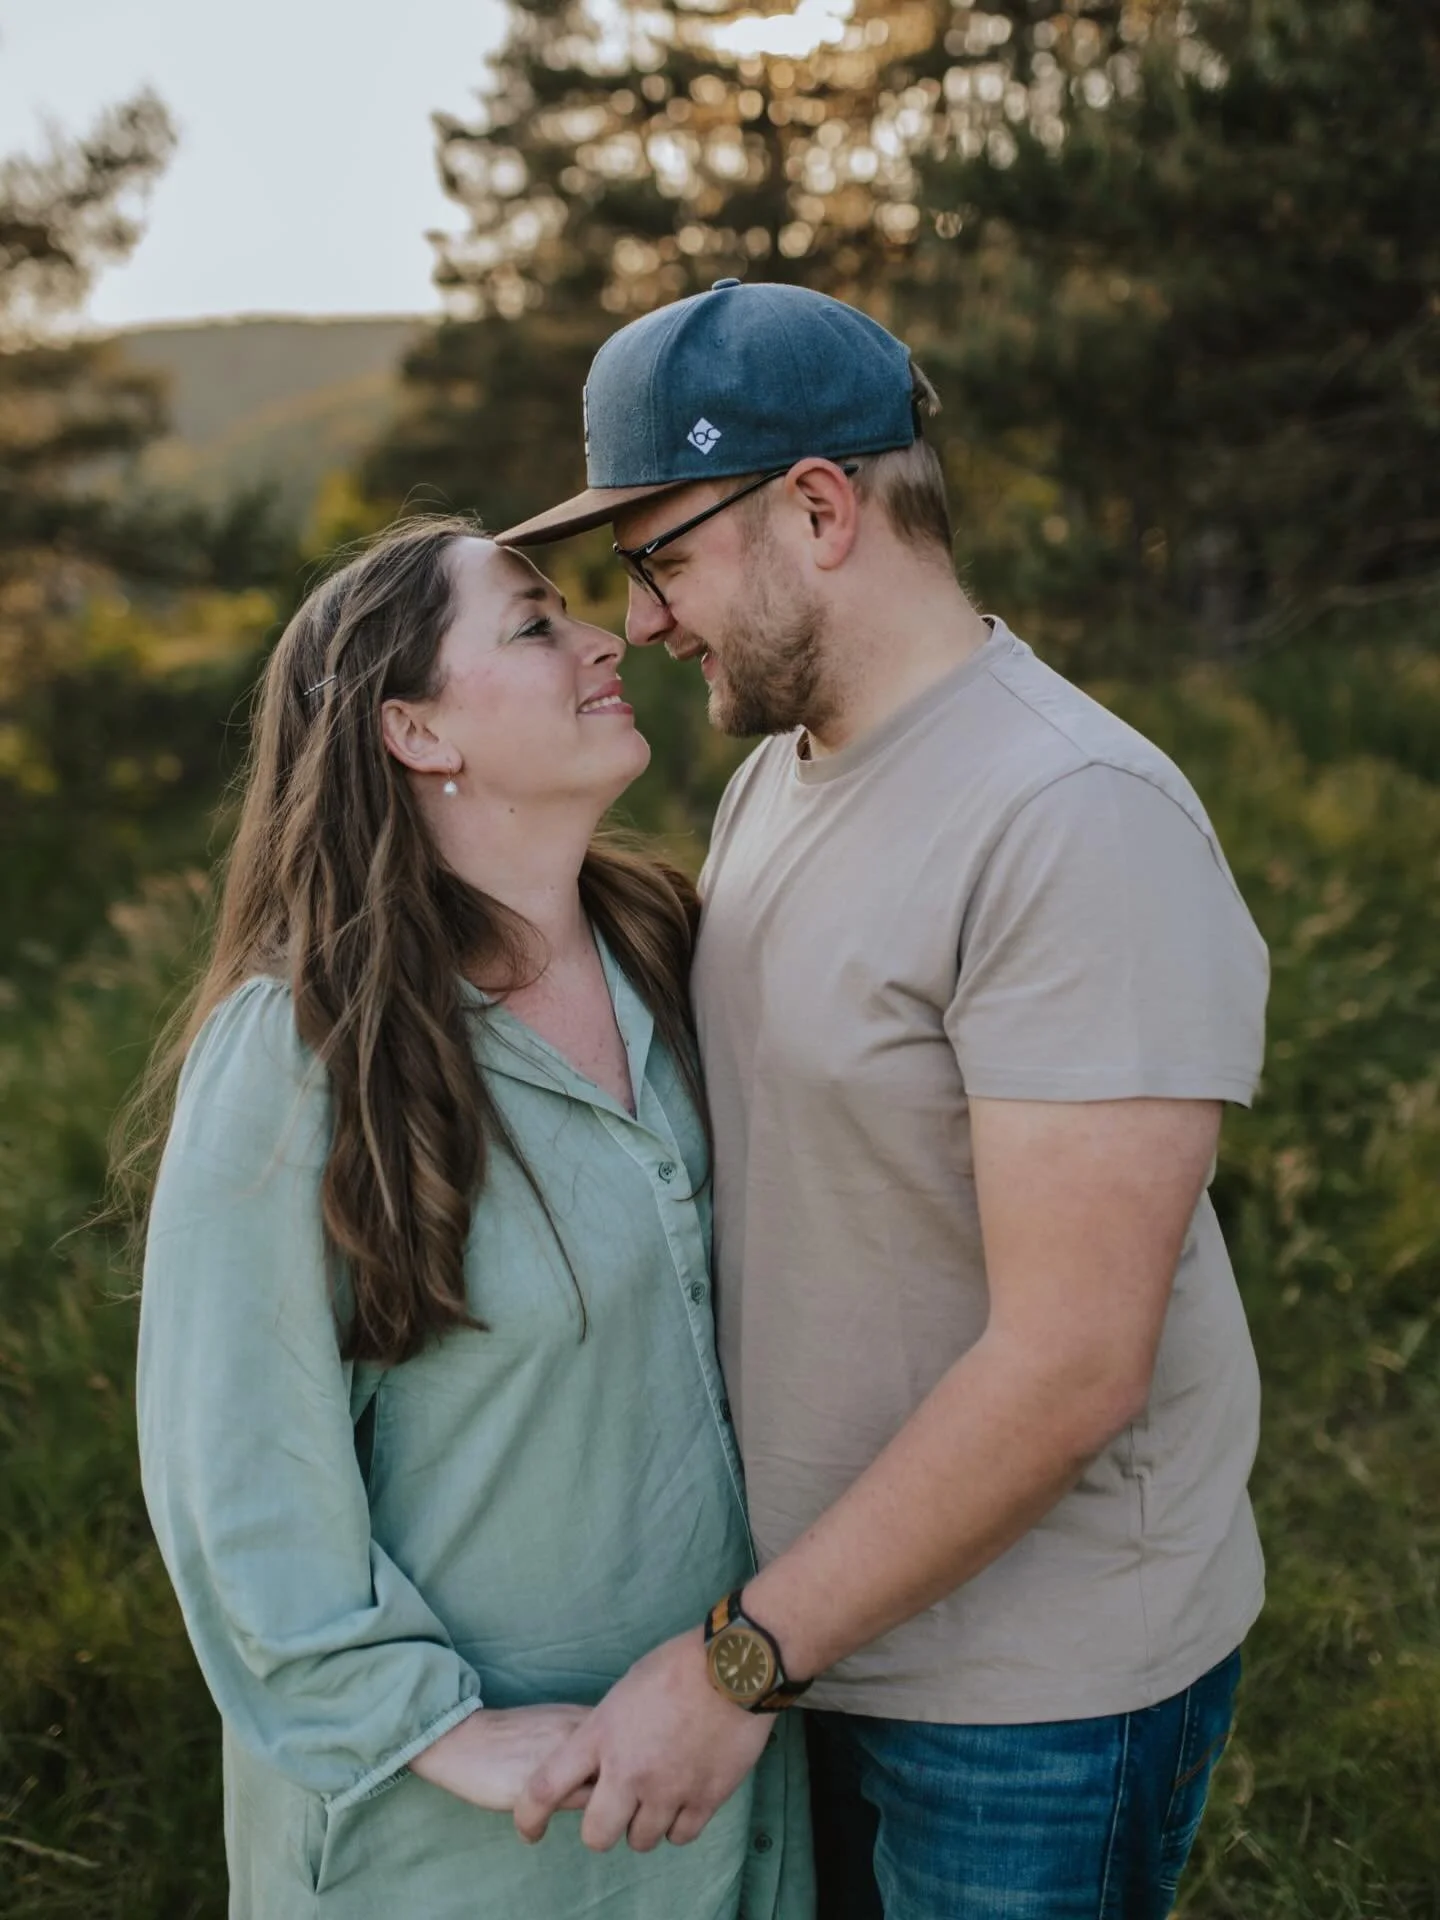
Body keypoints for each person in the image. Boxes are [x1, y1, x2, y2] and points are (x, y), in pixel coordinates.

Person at [496, 280, 1270, 1919]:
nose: (641, 620)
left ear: (822, 510)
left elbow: (1073, 1366)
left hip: (1029, 1696)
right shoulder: (781, 773)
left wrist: (734, 1667)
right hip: (823, 1641)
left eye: (662, 558)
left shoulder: (1074, 819)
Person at [130, 516, 813, 1919]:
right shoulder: (298, 1053)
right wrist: (434, 1729)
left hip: (721, 1777)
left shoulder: (674, 947)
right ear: (417, 734)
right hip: (464, 1844)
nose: (605, 636)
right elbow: (235, 1473)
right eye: (532, 624)